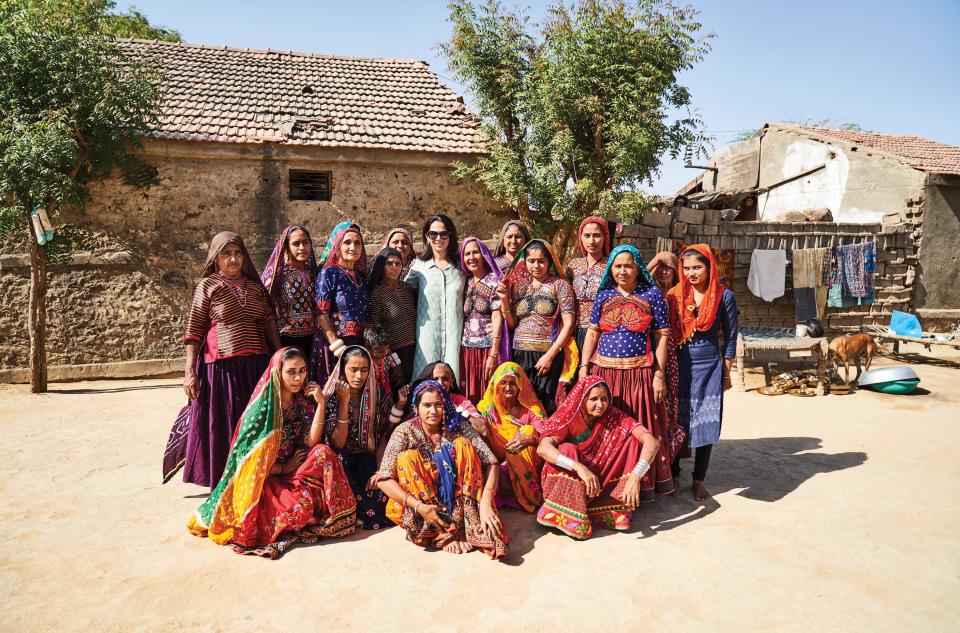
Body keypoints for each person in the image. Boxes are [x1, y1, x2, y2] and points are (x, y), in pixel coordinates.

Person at [187, 347, 357, 559]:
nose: (298, 378)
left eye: (302, 371)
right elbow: (246, 463)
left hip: (293, 471)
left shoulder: (302, 400)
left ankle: (336, 517)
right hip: (265, 478)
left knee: (323, 452)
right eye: (291, 371)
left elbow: (311, 441)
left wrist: (320, 403)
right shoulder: (262, 409)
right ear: (278, 372)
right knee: (293, 512)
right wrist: (283, 468)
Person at [182, 231, 281, 488]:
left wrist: (279, 355)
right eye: (227, 254)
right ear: (216, 258)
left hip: (256, 365)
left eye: (238, 253)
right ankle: (225, 481)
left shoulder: (256, 287)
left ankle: (253, 476)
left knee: (253, 423)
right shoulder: (208, 286)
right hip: (221, 368)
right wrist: (189, 372)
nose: (234, 259)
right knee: (224, 423)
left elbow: (269, 322)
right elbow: (194, 330)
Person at [578, 244, 675, 499]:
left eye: (628, 265)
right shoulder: (604, 296)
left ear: (638, 268)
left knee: (640, 429)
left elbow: (662, 337)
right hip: (604, 375)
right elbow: (592, 333)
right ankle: (607, 483)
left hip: (638, 375)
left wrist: (658, 374)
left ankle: (638, 485)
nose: (623, 271)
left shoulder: (652, 295)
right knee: (606, 429)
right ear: (611, 268)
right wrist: (584, 367)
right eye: (618, 265)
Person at [376, 381, 508, 558]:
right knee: (407, 458)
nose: (433, 411)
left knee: (463, 446)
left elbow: (491, 462)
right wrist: (420, 507)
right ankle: (439, 529)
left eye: (438, 404)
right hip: (422, 505)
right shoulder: (405, 431)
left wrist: (485, 501)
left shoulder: (458, 426)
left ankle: (465, 525)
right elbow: (383, 478)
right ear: (416, 407)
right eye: (426, 405)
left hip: (461, 502)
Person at [536, 376, 661, 540]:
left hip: (598, 479)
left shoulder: (613, 416)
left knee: (631, 442)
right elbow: (543, 448)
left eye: (604, 399)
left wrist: (636, 476)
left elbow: (651, 442)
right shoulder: (569, 417)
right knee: (567, 449)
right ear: (582, 399)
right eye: (594, 399)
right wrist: (579, 468)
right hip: (572, 475)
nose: (600, 404)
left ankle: (611, 509)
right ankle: (567, 515)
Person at [667, 244, 739, 501]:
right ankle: (674, 474)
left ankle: (699, 480)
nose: (691, 273)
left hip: (709, 367)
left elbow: (731, 336)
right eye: (686, 268)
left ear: (710, 267)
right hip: (679, 365)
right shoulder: (674, 296)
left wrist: (726, 372)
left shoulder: (724, 296)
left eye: (697, 267)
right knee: (678, 421)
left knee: (706, 421)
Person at [324, 346, 401, 530]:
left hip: (367, 456)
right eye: (353, 369)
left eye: (364, 370)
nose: (359, 376)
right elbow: (337, 443)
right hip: (340, 460)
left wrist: (380, 470)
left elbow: (383, 437)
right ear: (343, 370)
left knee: (380, 500)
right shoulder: (331, 397)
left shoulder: (379, 397)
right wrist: (344, 401)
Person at [497, 239, 577, 412]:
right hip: (519, 353)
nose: (536, 265)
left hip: (547, 354)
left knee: (544, 403)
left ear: (550, 262)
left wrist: (550, 355)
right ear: (524, 261)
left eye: (541, 261)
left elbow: (569, 323)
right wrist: (504, 300)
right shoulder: (519, 287)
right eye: (531, 261)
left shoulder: (560, 285)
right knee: (520, 404)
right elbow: (512, 324)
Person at [476, 362, 546, 513]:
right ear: (496, 384)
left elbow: (546, 437)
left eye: (513, 383)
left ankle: (529, 495)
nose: (508, 388)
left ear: (521, 385)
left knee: (527, 430)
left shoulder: (532, 409)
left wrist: (529, 439)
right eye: (504, 382)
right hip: (497, 464)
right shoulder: (487, 410)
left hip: (528, 464)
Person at [405, 214, 464, 381]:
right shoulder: (418, 267)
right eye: (433, 234)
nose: (439, 238)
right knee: (424, 379)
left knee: (453, 379)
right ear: (427, 237)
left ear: (451, 236)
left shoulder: (461, 267)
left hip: (455, 336)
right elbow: (403, 291)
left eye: (444, 234)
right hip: (426, 337)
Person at [312, 223, 370, 383]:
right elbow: (321, 313)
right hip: (336, 345)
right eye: (347, 242)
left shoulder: (362, 277)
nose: (353, 247)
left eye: (357, 243)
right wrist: (338, 348)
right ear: (337, 246)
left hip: (359, 345)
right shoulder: (329, 274)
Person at [459, 236, 510, 403]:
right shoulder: (465, 283)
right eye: (467, 254)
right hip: (467, 351)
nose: (471, 257)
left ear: (484, 255)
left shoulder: (495, 281)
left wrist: (493, 354)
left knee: (489, 397)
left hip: (487, 349)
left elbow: (498, 316)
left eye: (476, 252)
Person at [647, 251, 685, 470]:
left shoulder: (679, 295)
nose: (662, 271)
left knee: (668, 404)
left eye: (668, 267)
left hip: (673, 354)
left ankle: (669, 462)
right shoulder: (646, 293)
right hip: (648, 350)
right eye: (658, 266)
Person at [261, 224, 318, 359]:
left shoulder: (314, 272)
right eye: (296, 244)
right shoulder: (278, 275)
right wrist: (278, 349)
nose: (302, 248)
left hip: (313, 340)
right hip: (286, 340)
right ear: (286, 246)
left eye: (305, 242)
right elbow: (268, 313)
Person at [368, 247, 417, 384]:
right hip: (394, 353)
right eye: (389, 263)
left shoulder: (406, 288)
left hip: (415, 351)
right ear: (381, 266)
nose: (394, 267)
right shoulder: (377, 293)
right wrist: (393, 362)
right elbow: (375, 328)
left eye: (398, 263)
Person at [566, 217, 611, 356]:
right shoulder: (573, 265)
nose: (591, 241)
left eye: (597, 235)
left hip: (601, 331)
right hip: (574, 331)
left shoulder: (612, 265)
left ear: (605, 237)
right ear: (581, 238)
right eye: (587, 235)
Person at [413, 361, 485, 436]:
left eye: (445, 379)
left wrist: (456, 409)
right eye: (435, 379)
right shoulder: (421, 399)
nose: (440, 383)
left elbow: (483, 430)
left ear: (451, 380)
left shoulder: (460, 400)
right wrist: (400, 405)